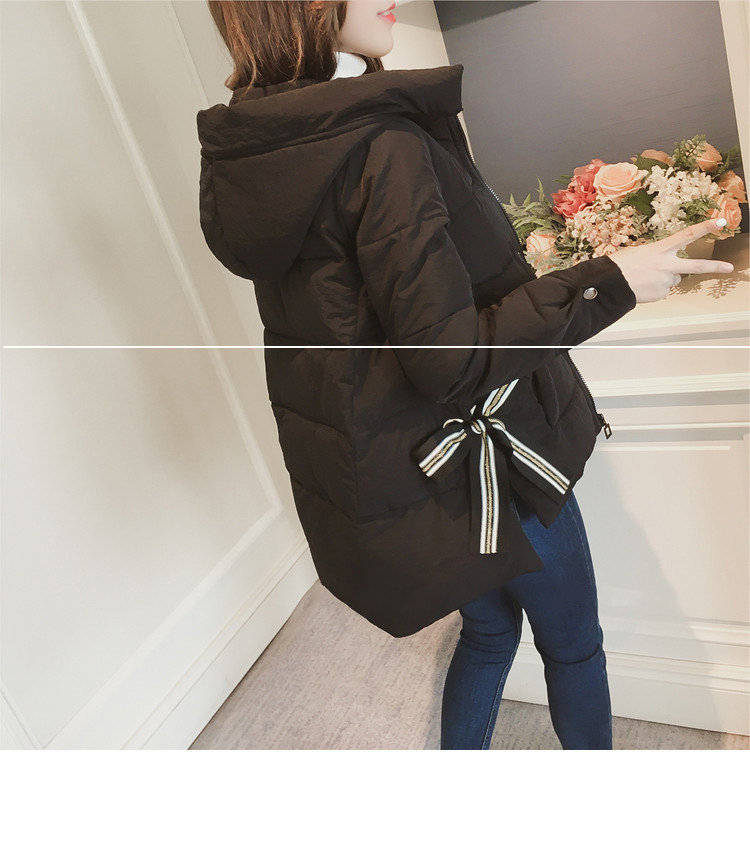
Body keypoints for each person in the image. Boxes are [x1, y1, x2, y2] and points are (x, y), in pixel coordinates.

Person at [196, 0, 735, 749]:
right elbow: (448, 358)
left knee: (487, 633)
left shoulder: (257, 144)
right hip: (490, 458)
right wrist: (609, 280)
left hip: (409, 471)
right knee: (573, 646)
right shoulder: (380, 139)